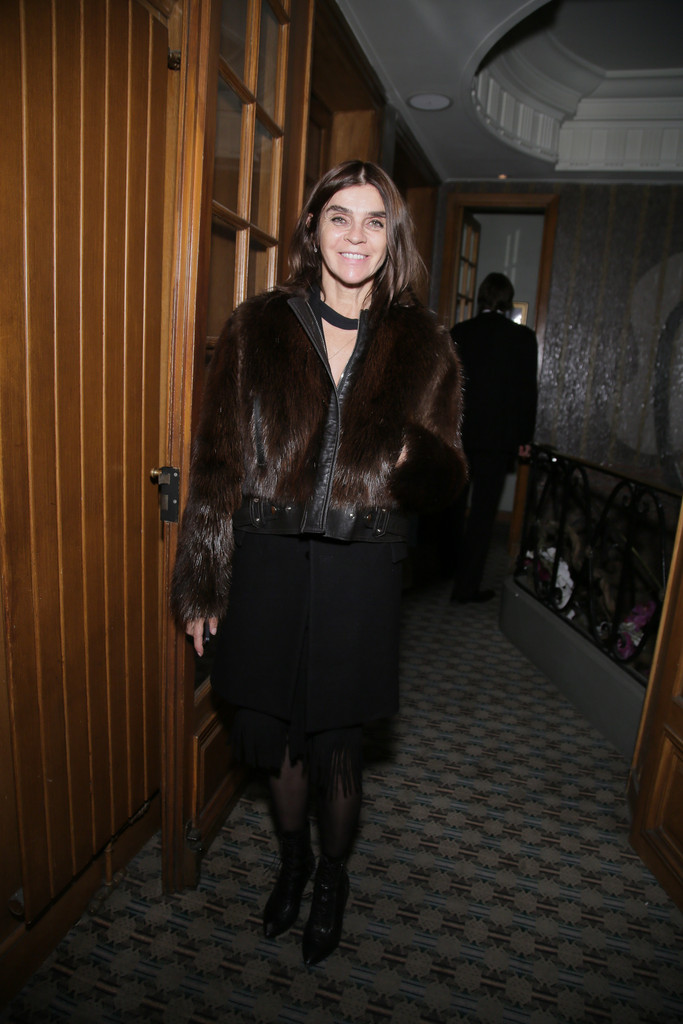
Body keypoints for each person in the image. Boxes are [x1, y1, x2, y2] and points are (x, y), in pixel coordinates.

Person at [171, 160, 466, 966]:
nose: (355, 236)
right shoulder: (258, 326)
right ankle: (293, 862)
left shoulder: (424, 343)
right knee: (277, 737)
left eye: (374, 221)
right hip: (265, 561)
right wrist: (204, 583)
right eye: (339, 217)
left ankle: (332, 878)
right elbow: (218, 463)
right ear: (313, 229)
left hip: (359, 571)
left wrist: (413, 456)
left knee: (335, 742)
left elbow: (448, 476)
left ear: (391, 238)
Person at [449, 272, 537, 603]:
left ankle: (444, 571)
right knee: (483, 517)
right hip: (498, 441)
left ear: (481, 298)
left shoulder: (460, 332)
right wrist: (524, 439)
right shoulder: (523, 338)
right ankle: (465, 586)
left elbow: (447, 389)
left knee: (452, 509)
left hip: (459, 436)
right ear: (507, 301)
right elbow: (527, 394)